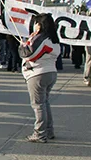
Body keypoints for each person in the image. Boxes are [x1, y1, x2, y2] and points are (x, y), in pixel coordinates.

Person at [19, 13, 61, 143]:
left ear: (40, 25)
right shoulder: (53, 39)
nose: (34, 25)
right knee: (44, 102)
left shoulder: (42, 39)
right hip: (50, 72)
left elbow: (30, 55)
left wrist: (22, 46)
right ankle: (48, 130)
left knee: (38, 105)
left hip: (37, 74)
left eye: (36, 23)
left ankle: (40, 133)